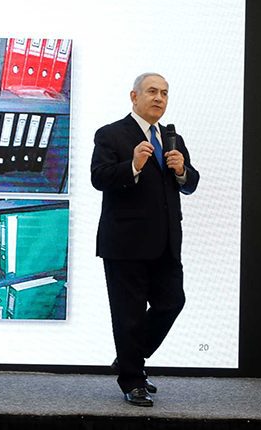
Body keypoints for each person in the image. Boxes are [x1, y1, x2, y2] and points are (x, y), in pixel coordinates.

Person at [90, 72, 200, 407]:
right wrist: (133, 165)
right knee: (129, 314)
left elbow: (191, 183)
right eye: (152, 91)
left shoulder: (172, 138)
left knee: (172, 302)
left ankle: (130, 358)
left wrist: (182, 171)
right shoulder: (111, 134)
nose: (159, 98)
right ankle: (132, 380)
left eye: (164, 93)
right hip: (125, 243)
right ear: (134, 96)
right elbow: (99, 178)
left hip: (166, 242)